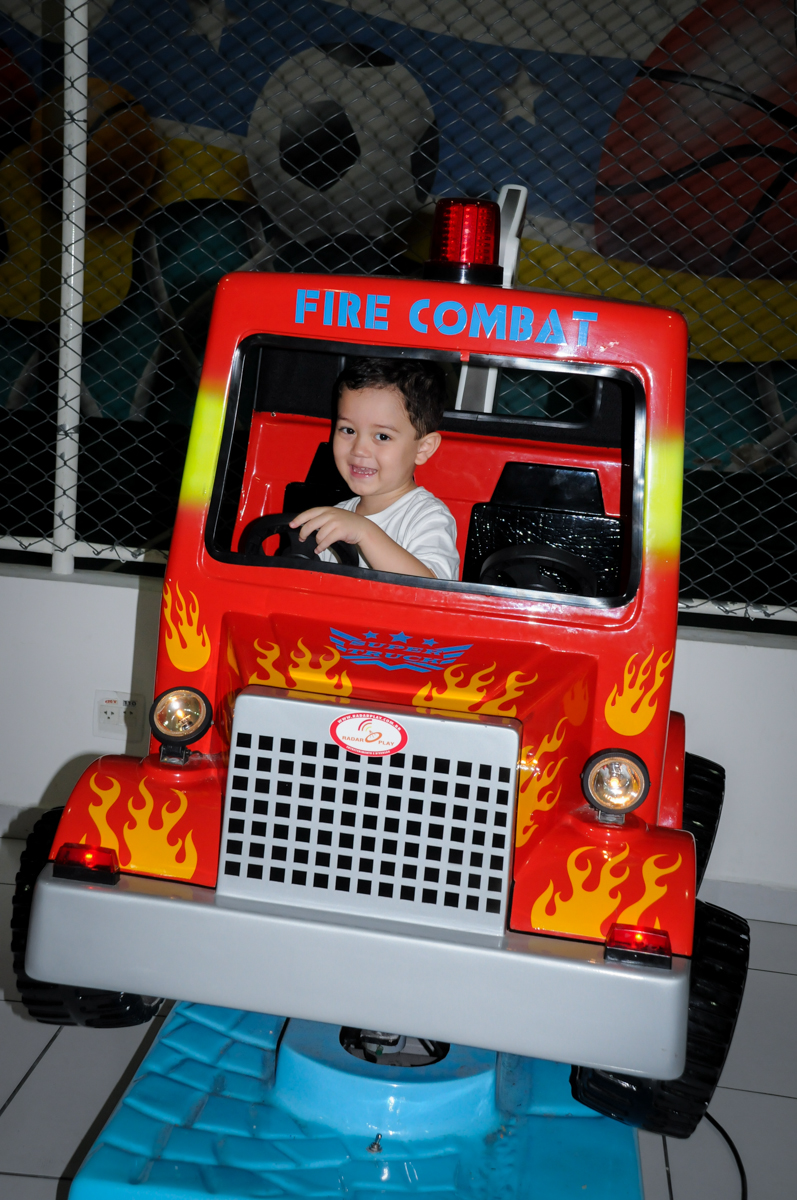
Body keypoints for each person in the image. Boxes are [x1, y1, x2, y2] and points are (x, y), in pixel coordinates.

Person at [289, 358, 459, 580]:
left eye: (382, 436)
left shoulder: (427, 517)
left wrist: (364, 532)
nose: (359, 450)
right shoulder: (337, 514)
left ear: (423, 448)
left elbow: (434, 593)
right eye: (348, 430)